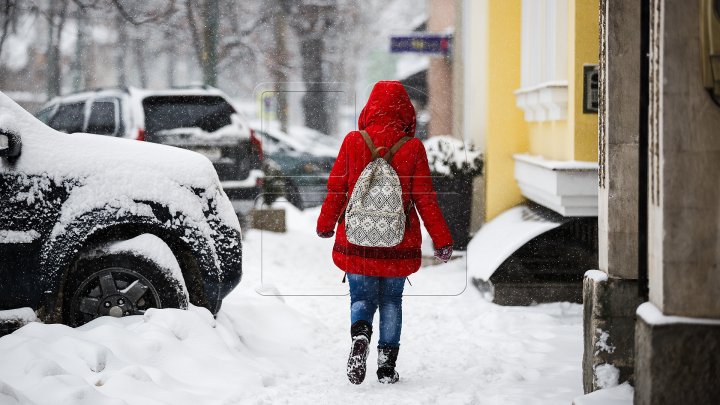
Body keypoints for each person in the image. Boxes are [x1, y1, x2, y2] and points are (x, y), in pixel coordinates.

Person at [316, 81, 454, 385]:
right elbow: (426, 199)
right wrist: (443, 241)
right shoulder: (413, 148)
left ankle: (361, 336)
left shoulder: (353, 141)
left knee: (360, 298)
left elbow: (337, 188)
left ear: (370, 109)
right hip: (398, 241)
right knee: (392, 301)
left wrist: (325, 224)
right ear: (405, 112)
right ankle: (386, 366)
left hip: (358, 241)